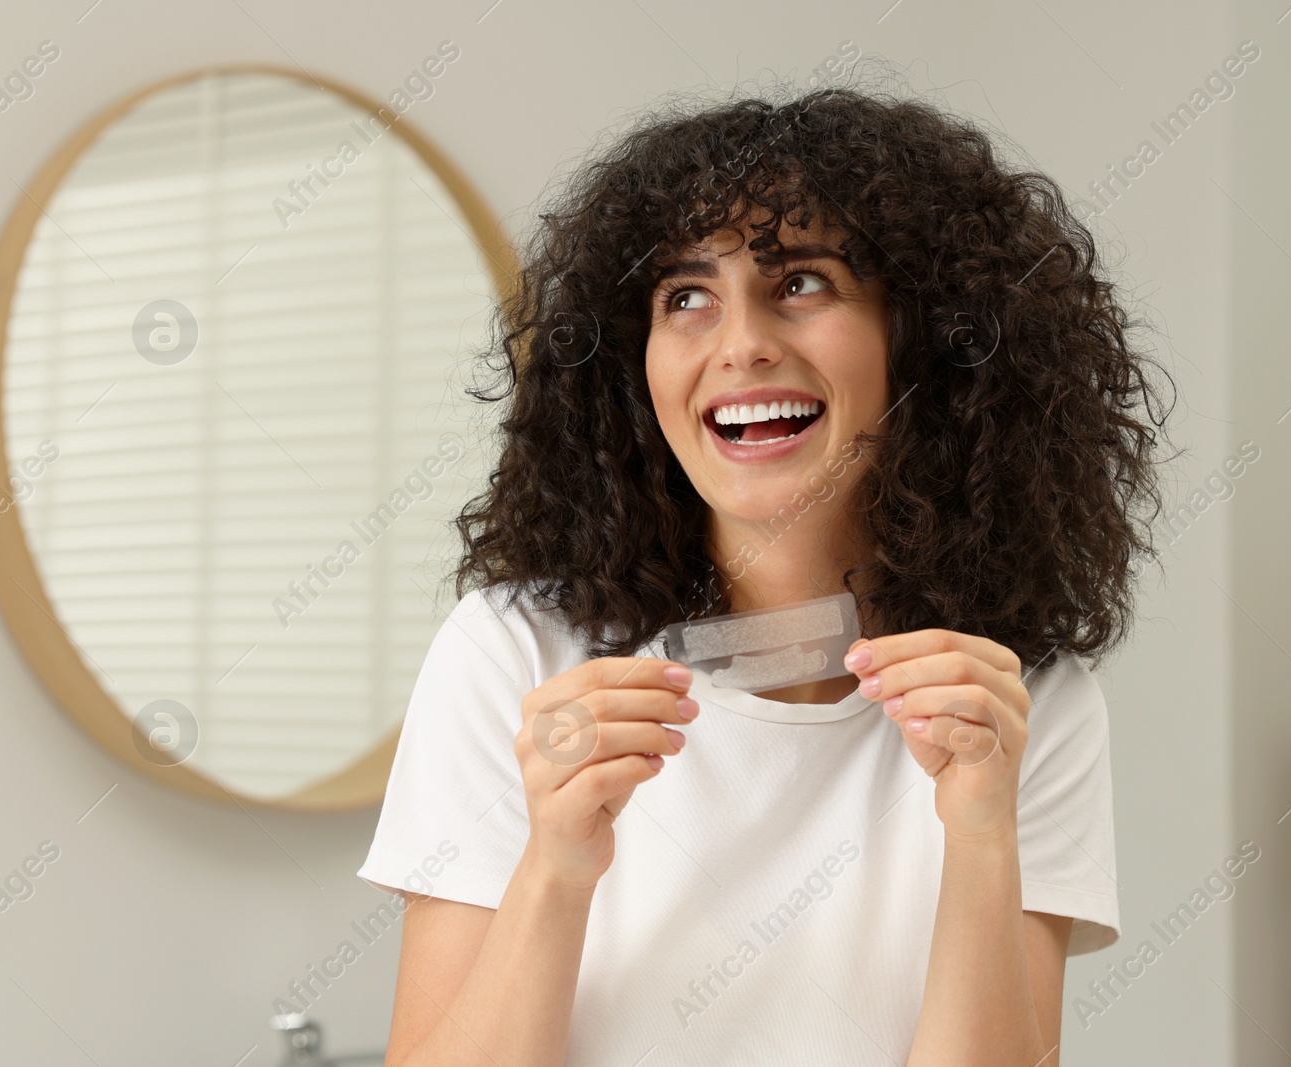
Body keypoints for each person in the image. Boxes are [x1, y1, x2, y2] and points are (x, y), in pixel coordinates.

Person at [358, 81, 1170, 1066]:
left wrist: (982, 829)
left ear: (924, 338)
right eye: (685, 296)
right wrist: (557, 867)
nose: (740, 343)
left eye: (801, 282)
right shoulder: (514, 656)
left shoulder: (1015, 701)